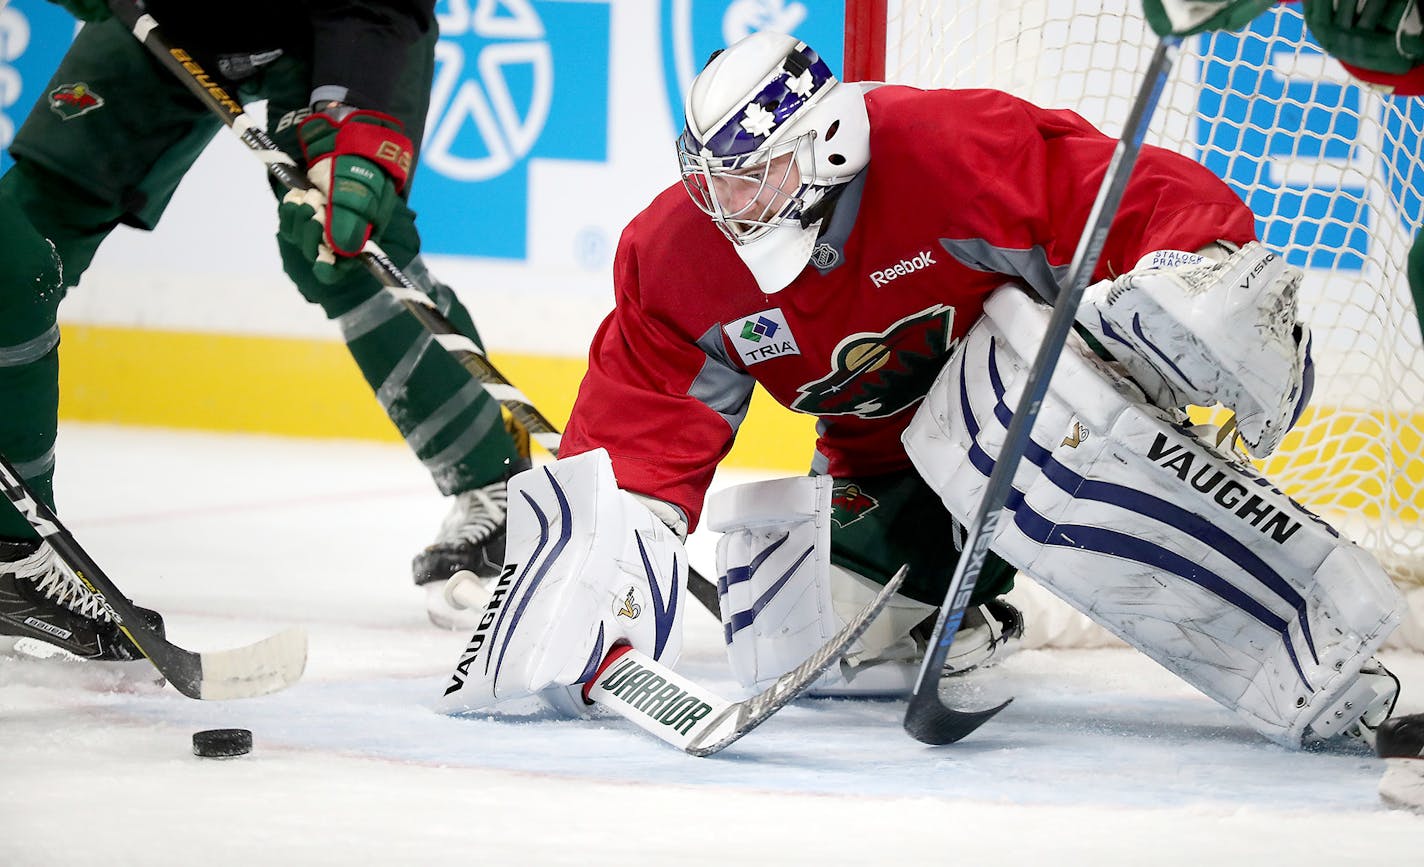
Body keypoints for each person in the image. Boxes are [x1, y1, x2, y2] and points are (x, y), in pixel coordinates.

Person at [436, 29, 1405, 752]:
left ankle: (1303, 638)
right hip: (896, 473)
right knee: (800, 645)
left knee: (998, 417)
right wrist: (592, 576)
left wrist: (1204, 275)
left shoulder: (947, 153)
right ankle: (968, 601)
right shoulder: (674, 259)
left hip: (1050, 420)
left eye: (754, 178)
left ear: (825, 149)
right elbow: (640, 442)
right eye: (713, 182)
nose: (728, 207)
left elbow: (1130, 200)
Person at [0, 0, 526, 669]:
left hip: (329, 24)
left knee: (344, 240)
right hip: (160, 12)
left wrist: (352, 125)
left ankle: (500, 487)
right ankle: (10, 546)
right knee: (20, 244)